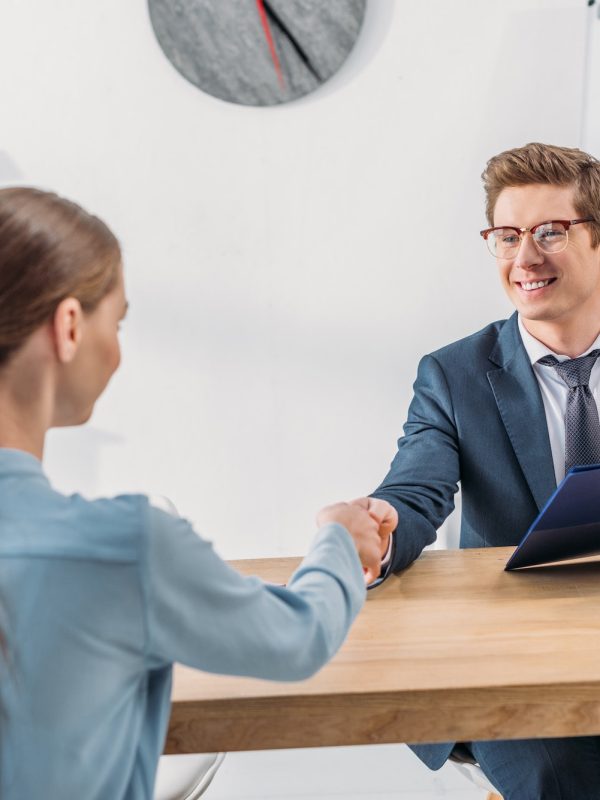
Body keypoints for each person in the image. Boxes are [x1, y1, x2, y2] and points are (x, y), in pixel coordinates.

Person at [0, 187, 394, 800]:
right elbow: (299, 638)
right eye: (118, 321)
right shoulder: (123, 546)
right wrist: (338, 537)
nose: (119, 351)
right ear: (70, 326)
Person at [363, 142, 600, 799]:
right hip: (519, 657)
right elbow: (415, 489)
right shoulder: (455, 374)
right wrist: (378, 530)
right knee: (562, 772)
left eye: (551, 231)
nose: (525, 258)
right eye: (506, 235)